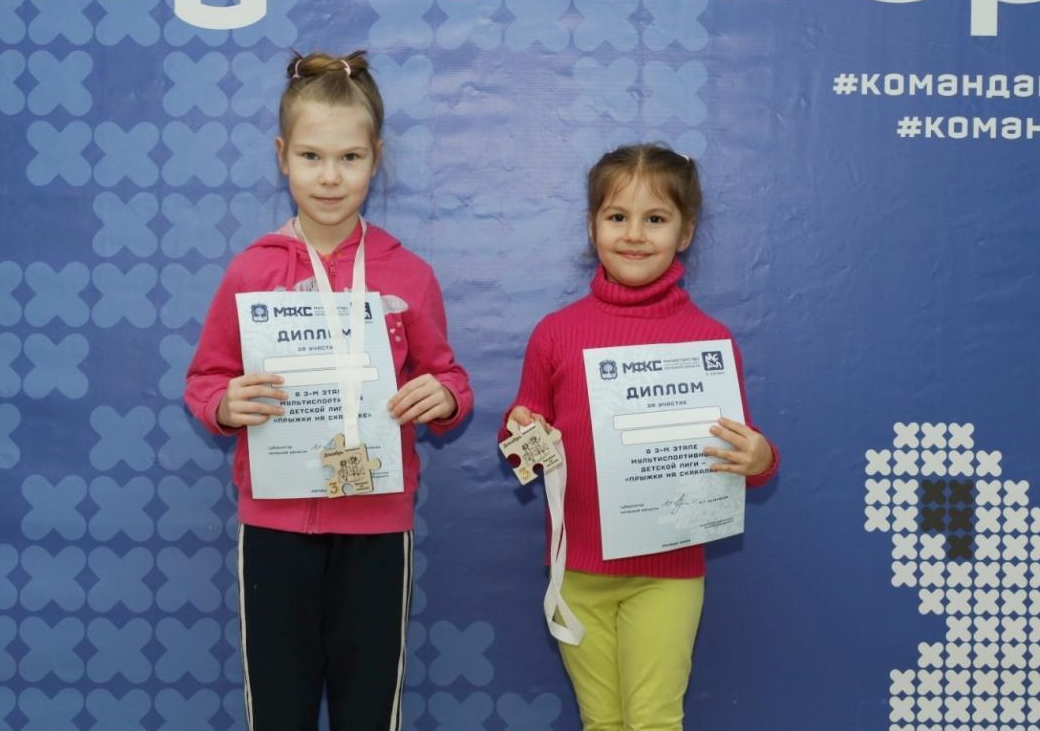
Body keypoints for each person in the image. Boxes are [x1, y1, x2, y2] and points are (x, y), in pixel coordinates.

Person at [185, 50, 472, 731]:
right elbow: (206, 379)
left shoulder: (408, 273)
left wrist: (444, 398)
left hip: (377, 524)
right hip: (275, 522)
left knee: (367, 707)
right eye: (312, 156)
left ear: (377, 159)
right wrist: (224, 405)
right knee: (279, 708)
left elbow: (448, 375)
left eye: (350, 157)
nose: (331, 176)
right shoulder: (251, 271)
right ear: (282, 157)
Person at [501, 143, 778, 731]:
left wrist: (760, 458)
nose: (633, 234)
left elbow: (743, 452)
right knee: (602, 721)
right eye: (617, 216)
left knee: (653, 721)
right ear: (592, 225)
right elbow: (523, 445)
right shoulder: (555, 334)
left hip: (667, 571)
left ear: (686, 232)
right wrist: (524, 433)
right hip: (578, 569)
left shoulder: (710, 342)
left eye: (655, 218)